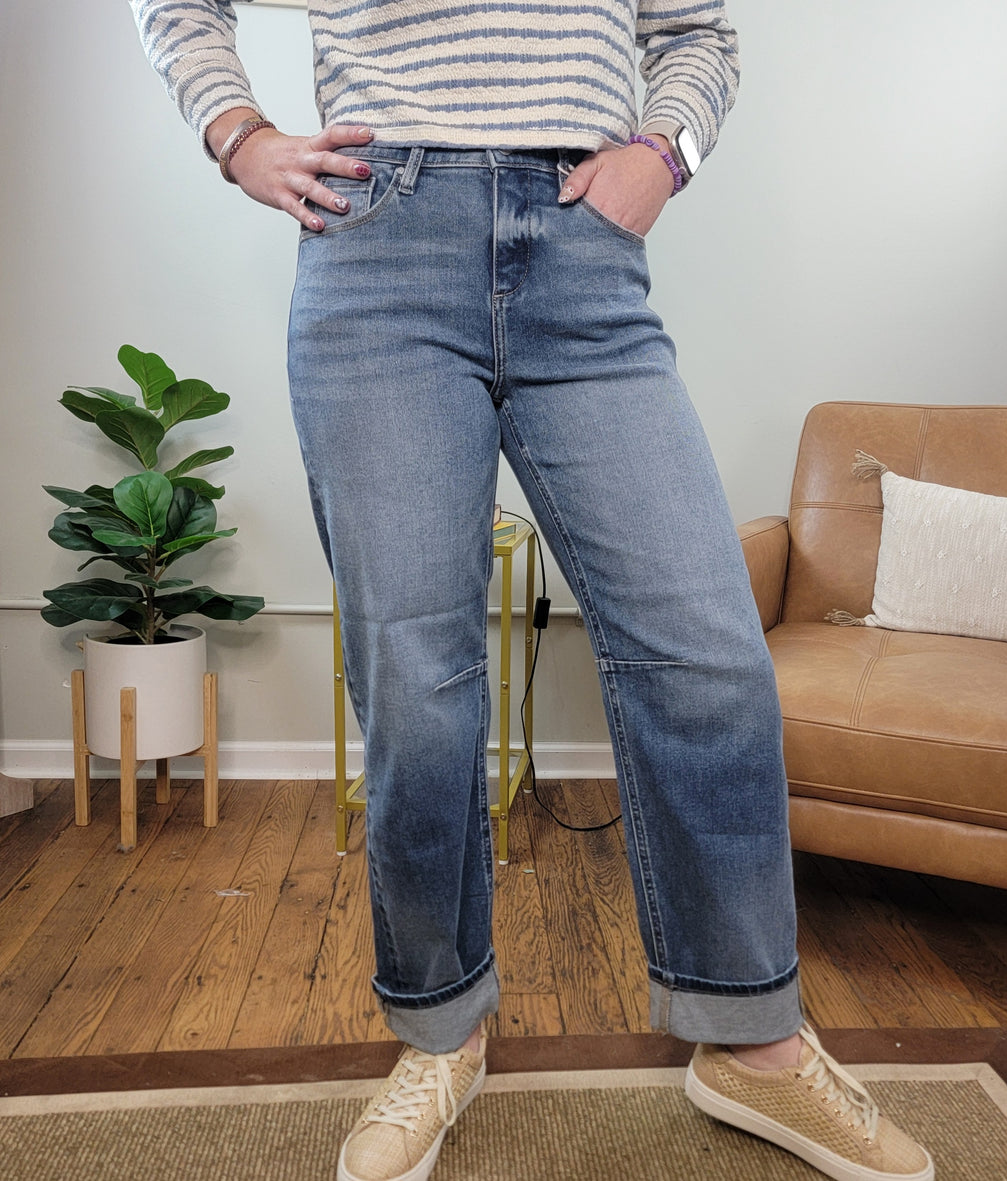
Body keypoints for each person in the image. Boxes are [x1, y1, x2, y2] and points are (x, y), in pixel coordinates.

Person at [130, 3, 934, 1179]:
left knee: (706, 652)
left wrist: (664, 155)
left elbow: (700, 32)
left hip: (583, 254)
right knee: (418, 677)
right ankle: (440, 1033)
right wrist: (235, 131)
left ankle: (750, 1040)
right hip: (380, 249)